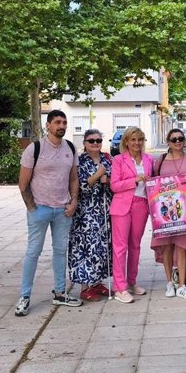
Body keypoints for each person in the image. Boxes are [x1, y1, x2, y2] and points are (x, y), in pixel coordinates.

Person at [15, 110, 81, 316]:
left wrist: (74, 201)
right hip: (40, 209)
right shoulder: (34, 149)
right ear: (48, 125)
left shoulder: (70, 148)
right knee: (33, 252)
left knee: (60, 251)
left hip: (62, 210)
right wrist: (32, 207)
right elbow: (23, 183)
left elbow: (73, 178)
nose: (61, 126)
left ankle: (60, 293)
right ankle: (25, 297)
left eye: (64, 122)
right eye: (57, 122)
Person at [152, 128, 186, 300]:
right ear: (168, 142)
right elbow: (153, 182)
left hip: (184, 211)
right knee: (166, 246)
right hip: (163, 211)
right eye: (174, 139)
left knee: (182, 246)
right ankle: (169, 283)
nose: (177, 141)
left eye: (180, 138)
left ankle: (182, 285)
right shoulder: (160, 160)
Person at [109, 127, 154, 303]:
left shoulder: (149, 159)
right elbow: (114, 186)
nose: (137, 143)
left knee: (135, 246)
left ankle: (131, 282)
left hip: (142, 205)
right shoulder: (119, 160)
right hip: (122, 206)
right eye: (133, 139)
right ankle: (120, 287)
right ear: (126, 142)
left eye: (140, 139)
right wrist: (133, 180)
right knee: (120, 248)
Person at [68, 129, 113, 301]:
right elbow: (81, 188)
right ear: (85, 143)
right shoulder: (79, 162)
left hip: (104, 211)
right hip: (85, 213)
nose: (95, 143)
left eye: (98, 140)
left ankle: (97, 282)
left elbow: (113, 182)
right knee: (85, 248)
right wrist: (98, 175)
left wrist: (107, 180)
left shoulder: (107, 159)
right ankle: (85, 286)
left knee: (102, 248)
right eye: (91, 141)